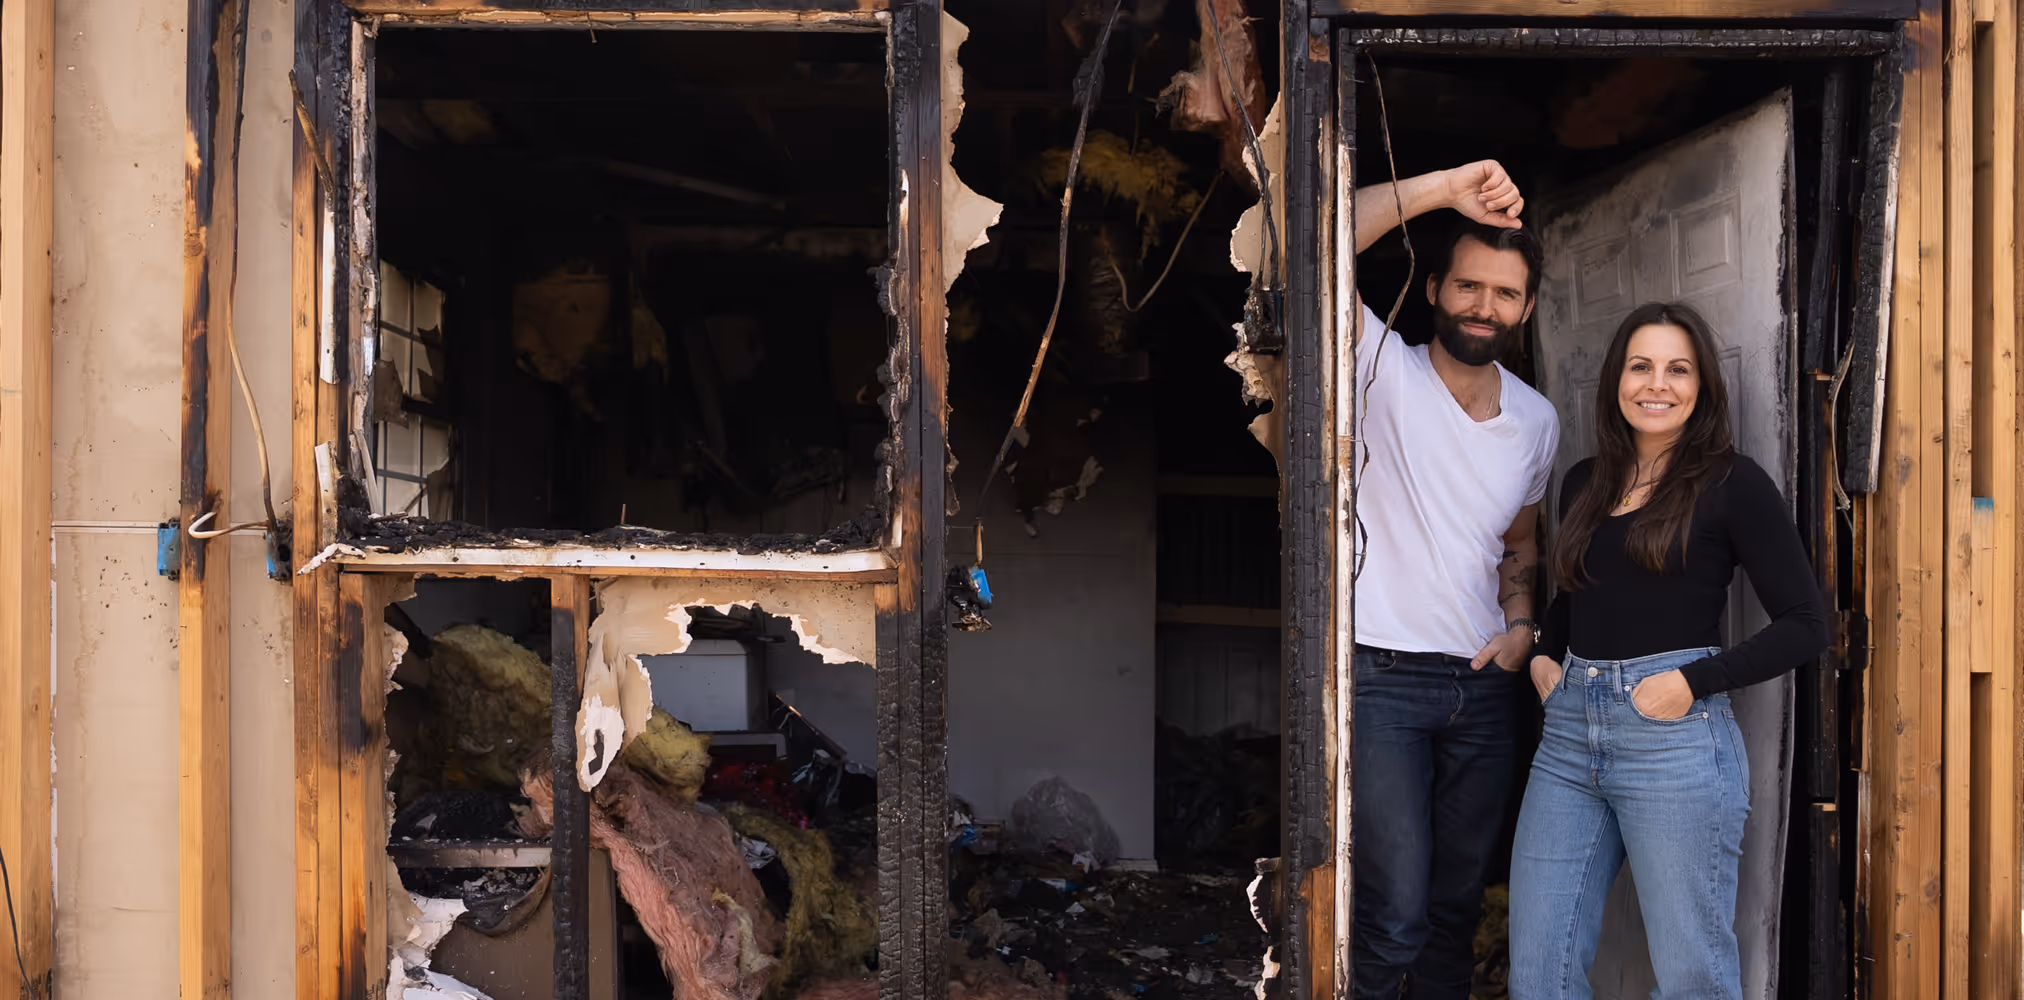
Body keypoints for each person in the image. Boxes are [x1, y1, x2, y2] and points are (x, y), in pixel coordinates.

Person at [1262, 161, 1558, 999]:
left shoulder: (1538, 419)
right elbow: (1311, 244)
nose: (1483, 307)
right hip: (1380, 678)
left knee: (1454, 910)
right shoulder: (1377, 365)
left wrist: (1522, 626)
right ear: (1434, 288)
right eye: (1468, 286)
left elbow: (1519, 543)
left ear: (1526, 308)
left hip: (1484, 686)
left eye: (1504, 294)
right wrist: (1447, 190)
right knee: (1390, 915)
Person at [1507, 303, 1829, 1000]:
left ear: (1703, 386)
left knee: (1691, 980)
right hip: (1566, 741)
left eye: (1678, 369)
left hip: (1675, 739)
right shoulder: (1585, 481)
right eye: (1641, 366)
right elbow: (1575, 597)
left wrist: (1692, 680)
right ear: (1616, 381)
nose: (1658, 384)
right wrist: (1540, 653)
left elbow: (1808, 624)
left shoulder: (1731, 484)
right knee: (1539, 972)